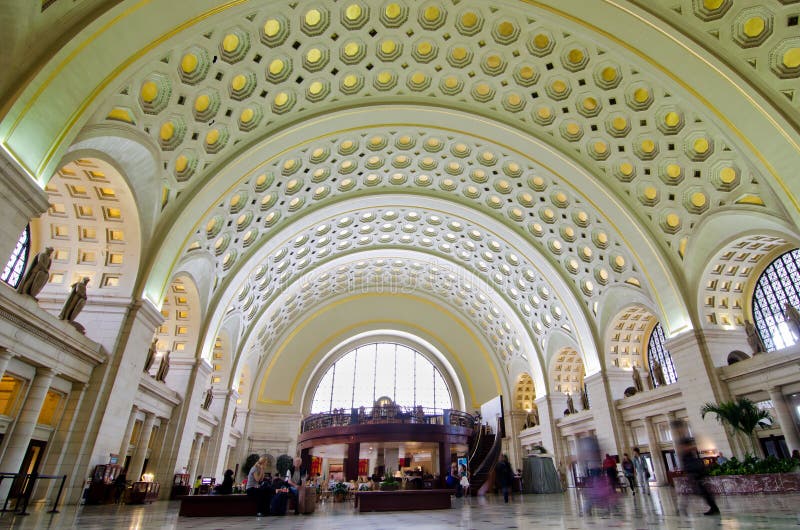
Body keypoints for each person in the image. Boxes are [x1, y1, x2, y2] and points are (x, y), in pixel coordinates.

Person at [678, 437, 719, 515]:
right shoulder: (688, 454)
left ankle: (714, 508)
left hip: (696, 476)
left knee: (703, 493)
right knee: (693, 492)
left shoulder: (690, 454)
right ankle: (682, 508)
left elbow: (694, 465)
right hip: (694, 476)